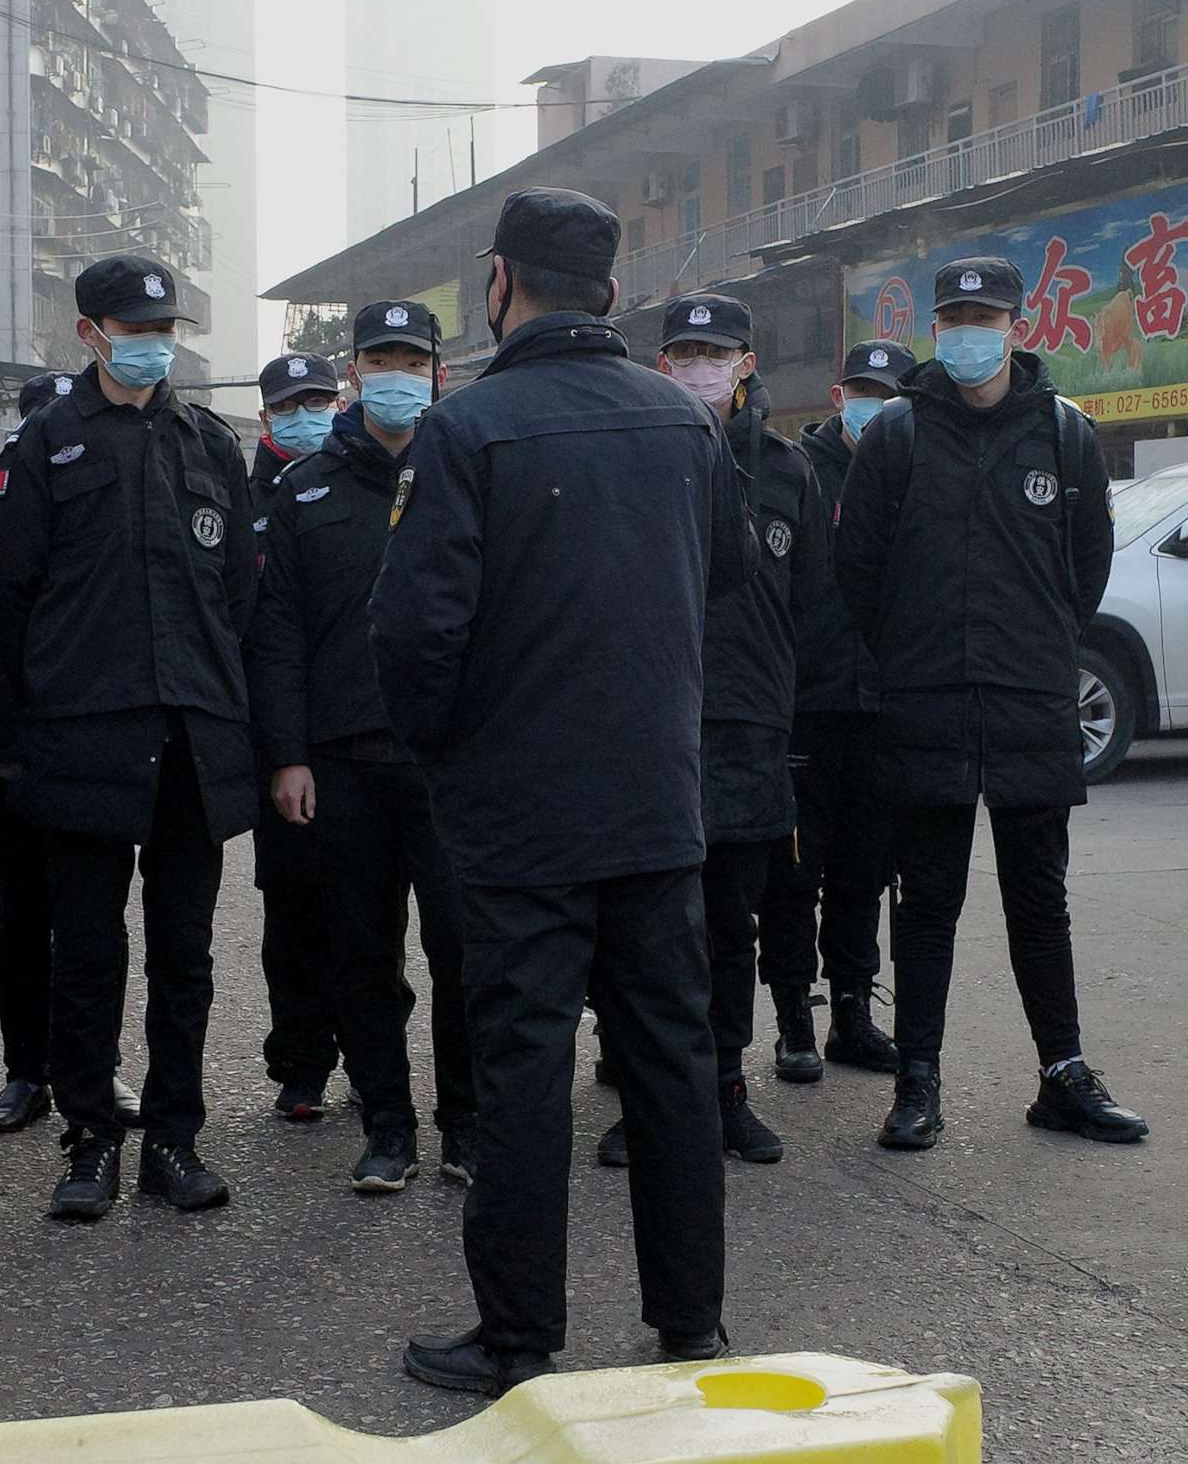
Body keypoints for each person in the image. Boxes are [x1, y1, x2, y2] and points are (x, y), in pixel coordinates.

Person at [371, 188, 748, 1393]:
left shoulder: (468, 428)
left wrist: (449, 755)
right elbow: (727, 581)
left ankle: (519, 1332)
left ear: (500, 281)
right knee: (673, 1056)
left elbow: (415, 633)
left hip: (521, 812)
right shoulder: (684, 425)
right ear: (611, 294)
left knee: (526, 1064)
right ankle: (691, 1317)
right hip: (654, 800)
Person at [834, 256, 1147, 1152]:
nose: (970, 330)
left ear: (1017, 324)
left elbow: (1084, 572)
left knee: (1038, 898)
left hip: (1027, 705)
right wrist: (912, 649)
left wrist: (1032, 646)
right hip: (926, 701)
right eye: (955, 315)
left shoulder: (1063, 435)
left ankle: (1063, 1076)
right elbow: (859, 573)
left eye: (986, 314)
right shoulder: (896, 435)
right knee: (927, 900)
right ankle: (918, 1079)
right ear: (938, 328)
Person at [0, 253, 257, 1223]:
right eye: (133, 330)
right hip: (84, 742)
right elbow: (2, 601)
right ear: (89, 333)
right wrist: (22, 734)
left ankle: (174, 1137)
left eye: (163, 329)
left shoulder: (210, 445)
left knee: (187, 952)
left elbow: (244, 601)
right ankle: (91, 1135)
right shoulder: (48, 445)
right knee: (88, 950)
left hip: (191, 743)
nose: (152, 345)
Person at [592, 294, 823, 1171]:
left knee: (731, 922)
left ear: (746, 363)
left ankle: (726, 1085)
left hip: (746, 726)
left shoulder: (789, 472)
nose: (698, 368)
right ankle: (648, 1095)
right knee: (645, 927)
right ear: (660, 367)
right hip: (650, 727)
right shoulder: (631, 458)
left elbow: (811, 603)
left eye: (713, 353)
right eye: (683, 353)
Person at [249, 299, 473, 1195]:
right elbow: (279, 638)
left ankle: (466, 1124)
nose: (396, 374)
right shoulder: (304, 490)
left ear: (438, 373)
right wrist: (288, 755)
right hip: (342, 762)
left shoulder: (465, 470)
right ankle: (388, 1126)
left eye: (411, 360)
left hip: (449, 758)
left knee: (463, 949)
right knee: (361, 953)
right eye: (379, 358)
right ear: (353, 374)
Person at [0, 371, 142, 1135]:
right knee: (22, 913)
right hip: (14, 748)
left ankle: (97, 1068)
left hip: (98, 745)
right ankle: (25, 1071)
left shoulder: (118, 514)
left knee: (95, 919)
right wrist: (32, 702)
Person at [760, 338, 916, 1082]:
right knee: (793, 872)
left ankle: (853, 1011)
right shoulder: (799, 471)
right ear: (837, 396)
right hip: (805, 704)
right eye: (862, 391)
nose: (873, 406)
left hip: (882, 705)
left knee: (865, 872)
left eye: (888, 395)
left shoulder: (915, 470)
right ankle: (795, 1018)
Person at [250, 348, 345, 1120]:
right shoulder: (233, 493)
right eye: (290, 406)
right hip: (277, 736)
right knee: (294, 911)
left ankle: (371, 1051)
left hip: (361, 730)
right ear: (265, 417)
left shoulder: (377, 483)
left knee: (372, 913)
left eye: (318, 401)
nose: (306, 416)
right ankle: (302, 1060)